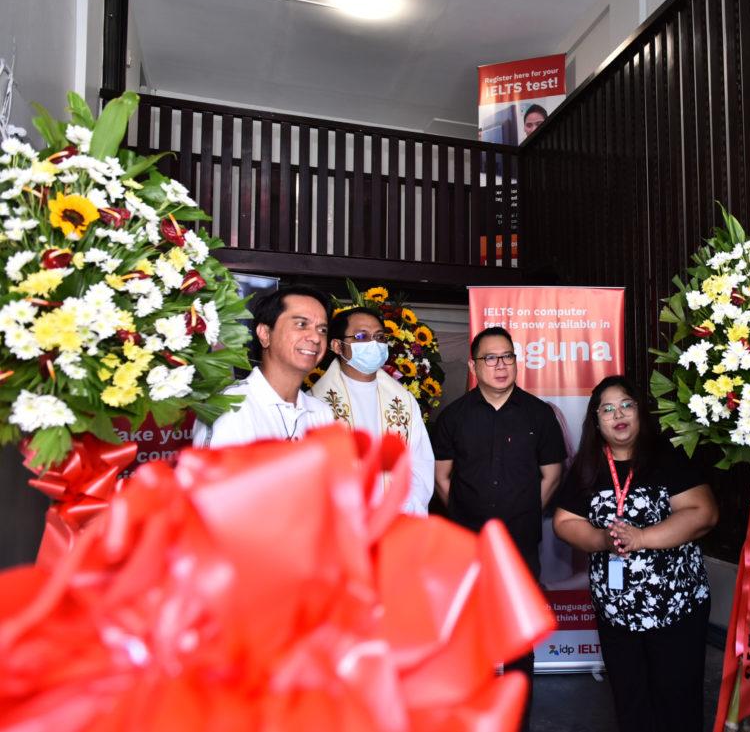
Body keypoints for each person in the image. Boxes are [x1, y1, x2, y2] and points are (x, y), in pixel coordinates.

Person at [553, 375, 717, 732]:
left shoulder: (664, 456)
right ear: (596, 420)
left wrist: (641, 537)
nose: (618, 415)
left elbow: (703, 513)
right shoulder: (587, 466)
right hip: (617, 614)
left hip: (675, 608)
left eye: (626, 405)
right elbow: (564, 521)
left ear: (640, 411)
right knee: (631, 705)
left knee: (677, 704)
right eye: (607, 409)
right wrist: (602, 541)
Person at [431, 326, 567, 730]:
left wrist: (521, 513)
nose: (500, 365)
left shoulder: (539, 414)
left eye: (507, 356)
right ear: (474, 366)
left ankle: (516, 719)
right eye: (490, 358)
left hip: (520, 544)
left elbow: (552, 473)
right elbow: (442, 477)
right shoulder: (454, 416)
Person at [309, 306, 434, 514]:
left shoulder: (404, 401)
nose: (373, 344)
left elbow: (421, 464)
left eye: (379, 337)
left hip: (396, 520)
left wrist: (403, 510)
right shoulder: (317, 402)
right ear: (337, 346)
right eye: (361, 336)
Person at [192, 285, 335, 448]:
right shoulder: (230, 407)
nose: (316, 337)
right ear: (265, 334)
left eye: (322, 329)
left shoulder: (321, 413)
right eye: (301, 324)